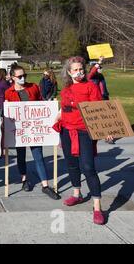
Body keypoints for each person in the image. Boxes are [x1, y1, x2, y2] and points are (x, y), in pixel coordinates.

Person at [55, 56, 111, 225]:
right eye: (75, 70)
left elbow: (99, 110)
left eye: (81, 69)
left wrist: (106, 129)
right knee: (72, 164)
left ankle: (97, 207)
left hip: (84, 132)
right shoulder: (66, 89)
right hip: (66, 131)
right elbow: (63, 109)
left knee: (88, 167)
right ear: (69, 72)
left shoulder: (91, 87)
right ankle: (76, 194)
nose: (79, 72)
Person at [4, 63, 60, 200]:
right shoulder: (9, 92)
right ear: (12, 77)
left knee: (38, 156)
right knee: (21, 156)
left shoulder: (33, 87)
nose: (23, 78)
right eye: (20, 76)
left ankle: (45, 185)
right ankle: (24, 180)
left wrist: (50, 106)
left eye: (24, 75)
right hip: (19, 131)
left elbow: (41, 103)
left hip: (35, 129)